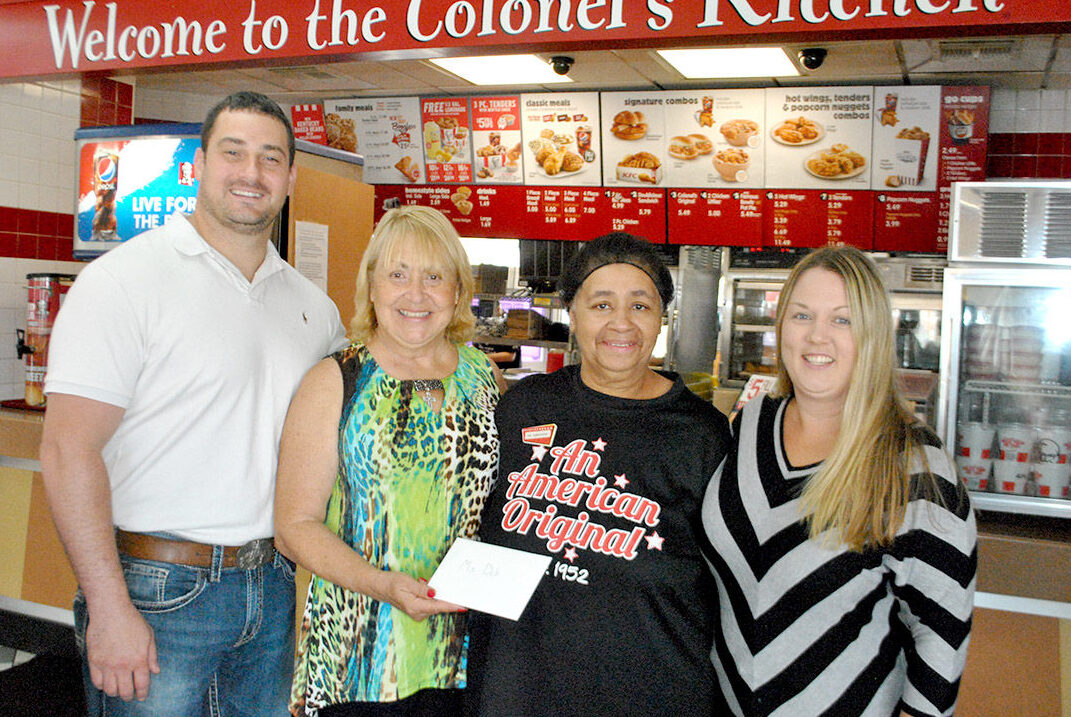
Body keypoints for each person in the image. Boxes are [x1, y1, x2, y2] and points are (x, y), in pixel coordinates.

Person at [39, 91, 346, 715]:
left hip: (275, 587)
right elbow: (69, 449)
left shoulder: (314, 308)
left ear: (290, 176)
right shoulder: (124, 282)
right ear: (199, 165)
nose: (250, 173)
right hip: (155, 592)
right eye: (233, 153)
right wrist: (108, 607)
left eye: (270, 158)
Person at [700, 247, 976, 717]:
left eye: (843, 320)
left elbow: (941, 629)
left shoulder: (915, 465)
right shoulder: (748, 426)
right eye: (801, 315)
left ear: (872, 336)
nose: (816, 336)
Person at [466, 232, 732, 717]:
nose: (621, 324)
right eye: (602, 304)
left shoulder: (702, 435)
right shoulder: (524, 408)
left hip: (653, 694)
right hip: (522, 689)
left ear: (661, 317)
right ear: (573, 312)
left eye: (640, 306)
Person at [276, 205, 502, 716]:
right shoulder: (335, 381)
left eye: (434, 277)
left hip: (463, 649)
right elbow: (293, 527)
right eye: (398, 274)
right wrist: (385, 585)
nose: (416, 294)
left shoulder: (484, 376)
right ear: (373, 287)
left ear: (458, 291)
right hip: (360, 653)